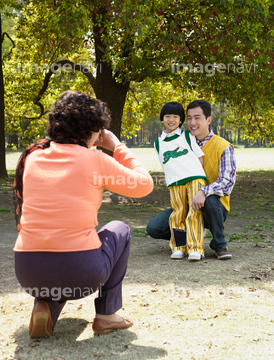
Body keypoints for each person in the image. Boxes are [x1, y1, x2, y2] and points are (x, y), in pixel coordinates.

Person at [13, 90, 153, 338]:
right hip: (80, 271)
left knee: (56, 264)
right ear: (96, 129)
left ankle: (44, 305)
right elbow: (144, 184)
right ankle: (107, 315)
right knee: (120, 228)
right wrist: (117, 146)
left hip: (28, 270)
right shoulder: (95, 160)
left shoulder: (32, 157)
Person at [147, 100, 236, 260]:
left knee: (209, 201)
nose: (192, 123)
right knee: (154, 227)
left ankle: (219, 245)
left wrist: (203, 191)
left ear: (208, 120)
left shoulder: (223, 146)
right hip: (187, 201)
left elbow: (227, 182)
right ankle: (187, 240)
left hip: (214, 206)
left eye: (197, 118)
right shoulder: (181, 140)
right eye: (189, 118)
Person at [155, 102, 207, 261]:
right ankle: (178, 247)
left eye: (175, 117)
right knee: (177, 214)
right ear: (162, 119)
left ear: (180, 120)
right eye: (167, 116)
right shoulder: (158, 142)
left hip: (194, 178)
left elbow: (200, 156)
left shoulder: (187, 136)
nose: (171, 120)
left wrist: (198, 175)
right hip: (175, 183)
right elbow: (165, 164)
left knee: (194, 212)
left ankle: (195, 248)